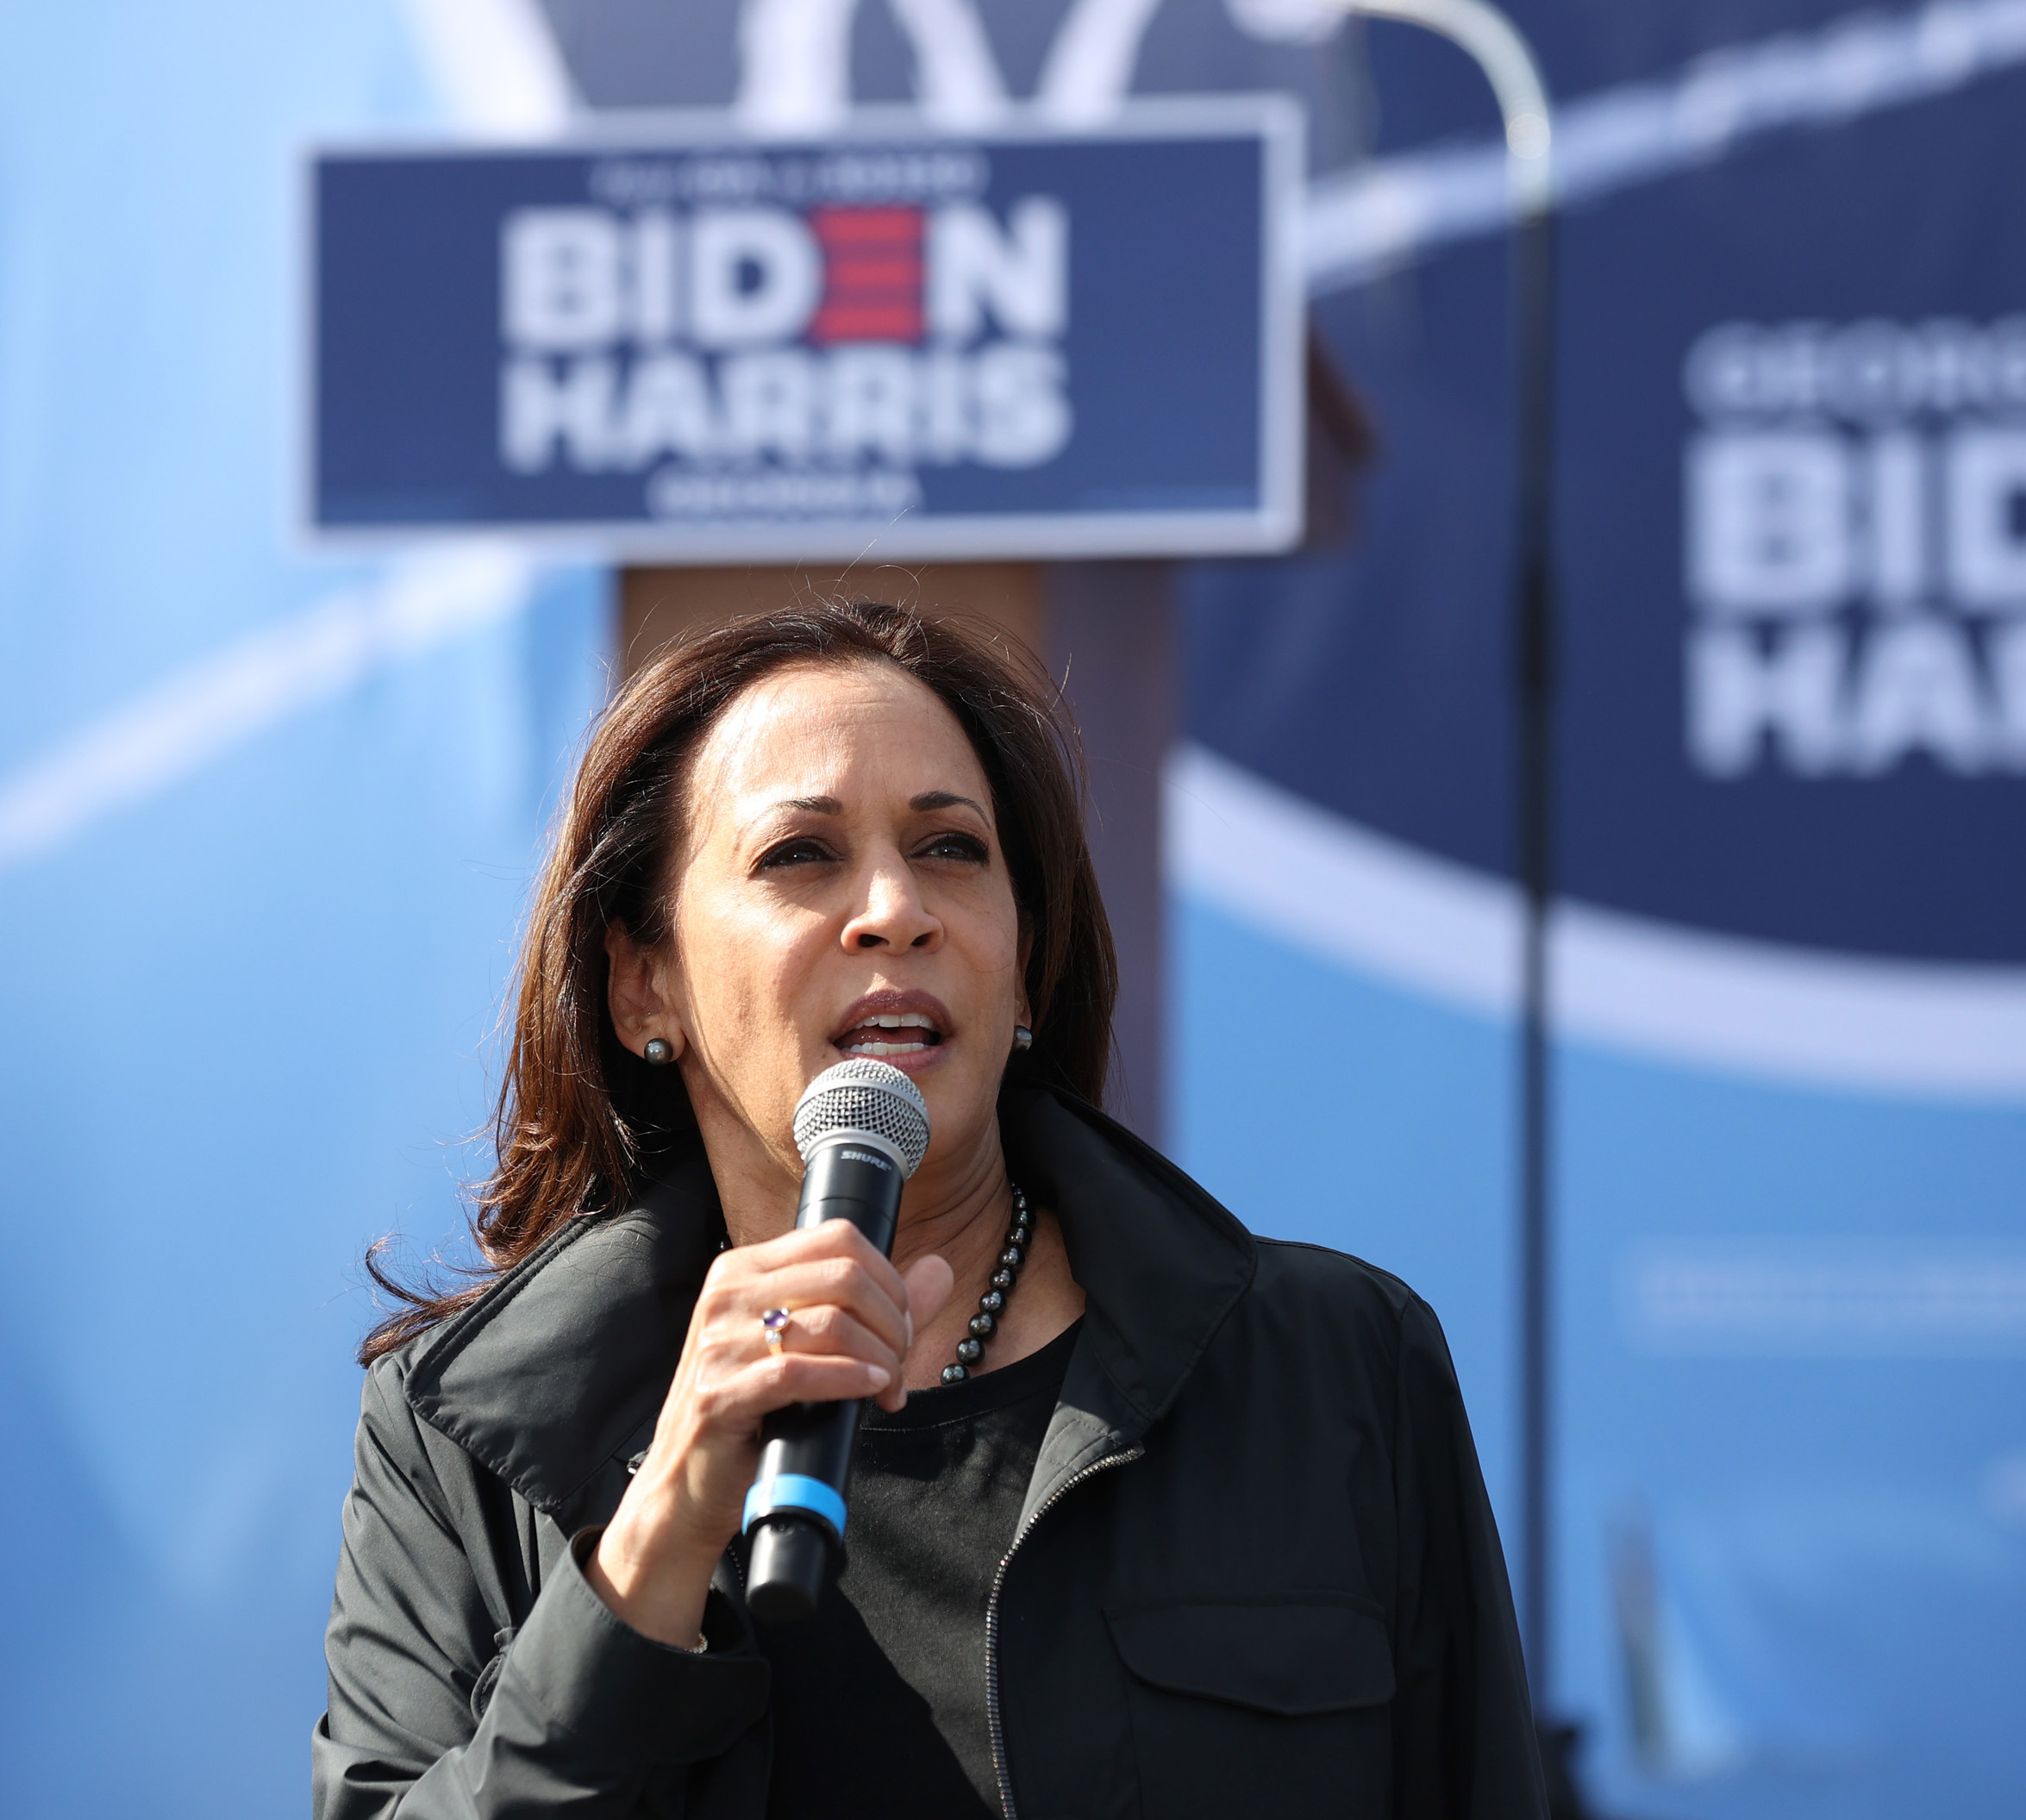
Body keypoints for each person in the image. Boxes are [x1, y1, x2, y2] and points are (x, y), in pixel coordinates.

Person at [313, 601, 1546, 1819]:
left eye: (952, 848)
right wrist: (655, 1546)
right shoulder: (464, 1440)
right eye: (800, 855)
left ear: (1024, 968)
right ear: (647, 985)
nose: (897, 909)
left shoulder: (1334, 1368)